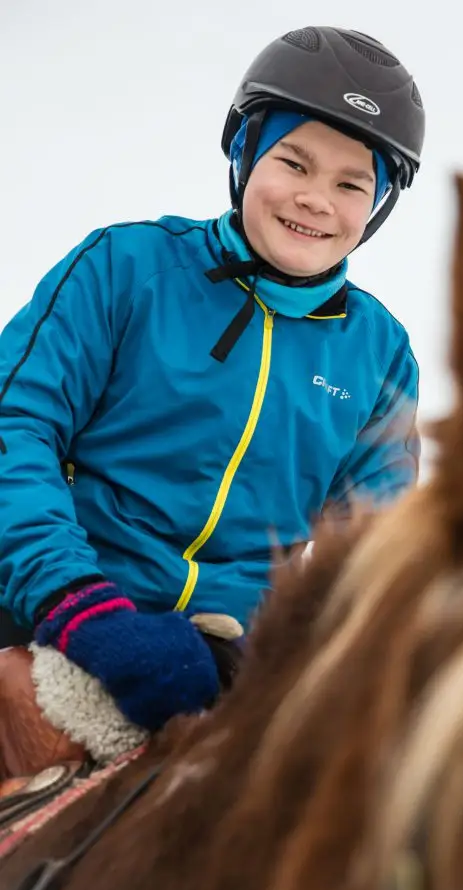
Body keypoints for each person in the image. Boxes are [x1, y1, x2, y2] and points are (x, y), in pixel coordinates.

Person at [0, 26, 425, 757]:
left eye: (351, 183)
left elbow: (378, 552)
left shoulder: (379, 356)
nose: (314, 199)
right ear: (243, 153)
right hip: (53, 613)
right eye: (293, 161)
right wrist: (80, 607)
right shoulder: (127, 268)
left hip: (228, 670)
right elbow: (16, 427)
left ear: (376, 207)